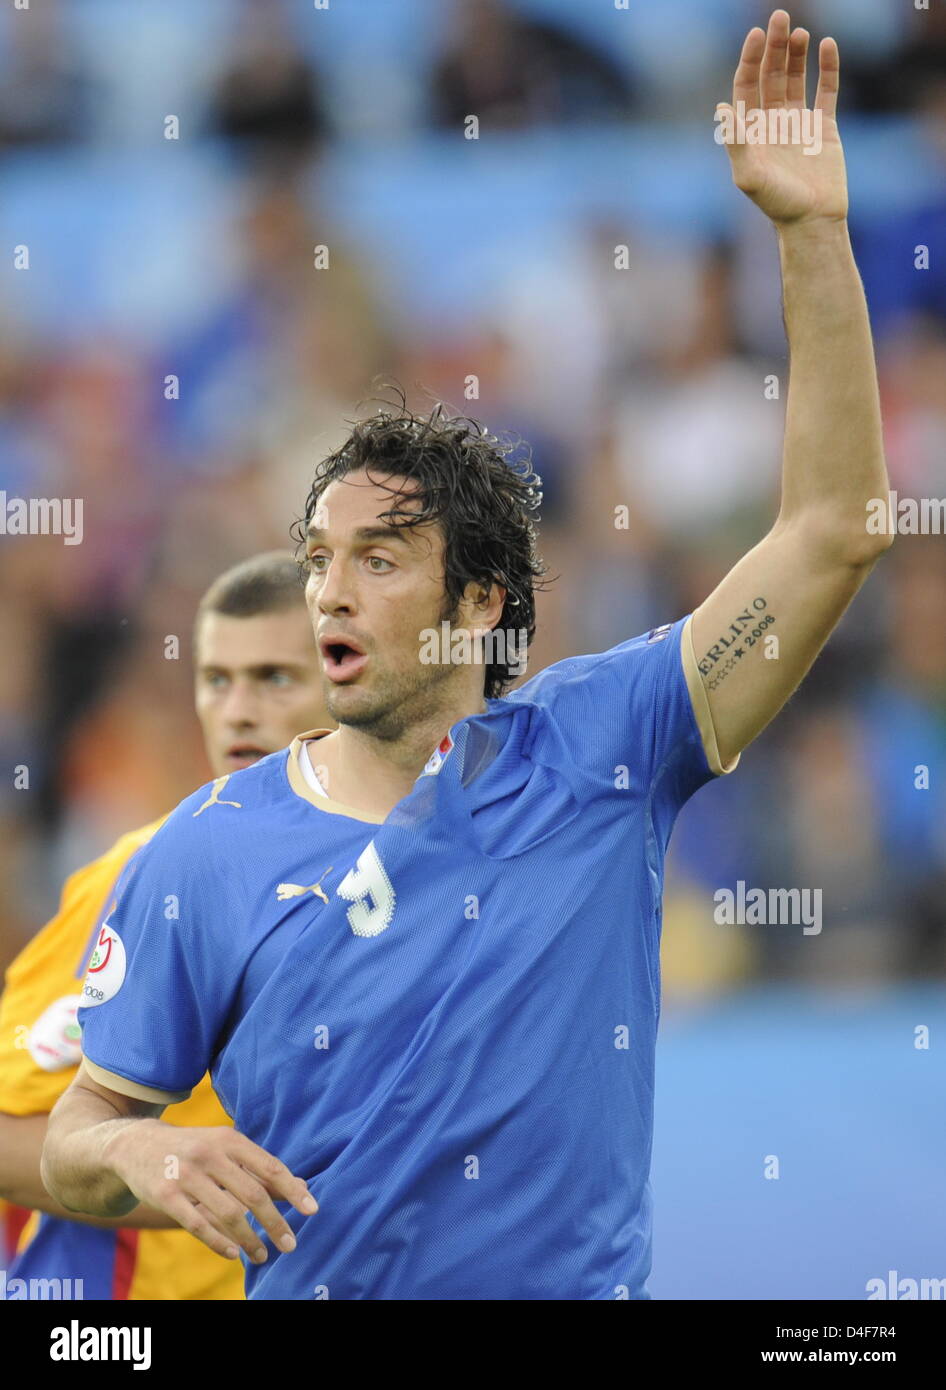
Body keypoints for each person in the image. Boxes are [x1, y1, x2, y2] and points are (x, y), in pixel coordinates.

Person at [43, 15, 892, 1299]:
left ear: (479, 600)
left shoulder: (609, 743)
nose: (329, 589)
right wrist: (135, 1152)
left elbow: (833, 529)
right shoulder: (204, 848)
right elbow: (73, 1131)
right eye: (319, 558)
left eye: (379, 559)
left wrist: (809, 236)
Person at [0, 552, 328, 1299]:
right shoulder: (142, 877)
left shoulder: (401, 889)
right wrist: (155, 1166)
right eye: (217, 679)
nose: (238, 709)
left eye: (275, 677)